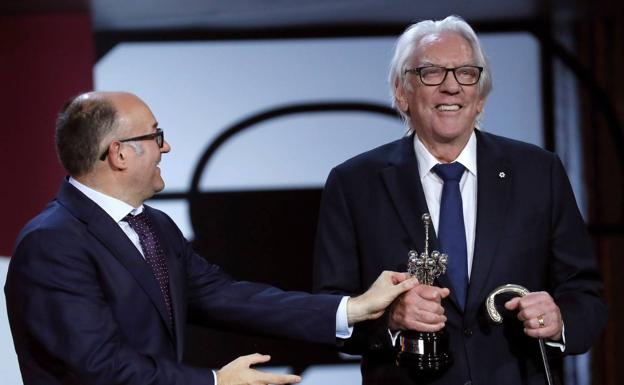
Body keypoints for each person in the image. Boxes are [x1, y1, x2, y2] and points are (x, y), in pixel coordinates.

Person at [4, 91, 418, 385]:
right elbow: (97, 367)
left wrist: (352, 309)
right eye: (156, 135)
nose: (167, 147)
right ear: (120, 153)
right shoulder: (52, 244)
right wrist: (215, 381)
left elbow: (231, 298)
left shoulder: (155, 226)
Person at [313, 15, 607, 385]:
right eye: (431, 72)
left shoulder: (538, 172)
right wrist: (390, 320)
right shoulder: (354, 184)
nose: (451, 87)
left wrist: (560, 318)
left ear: (480, 97)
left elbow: (586, 296)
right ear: (402, 92)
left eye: (466, 73)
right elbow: (329, 311)